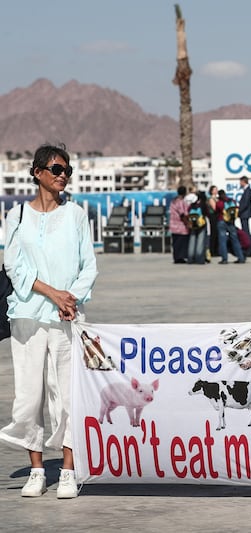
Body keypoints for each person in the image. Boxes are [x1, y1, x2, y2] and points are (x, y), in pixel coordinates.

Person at [0, 144, 98, 499]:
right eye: (57, 169)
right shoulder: (17, 217)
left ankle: (69, 470)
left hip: (67, 317)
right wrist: (51, 293)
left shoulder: (76, 215)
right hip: (26, 316)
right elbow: (14, 266)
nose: (62, 176)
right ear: (38, 172)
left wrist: (70, 297)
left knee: (68, 396)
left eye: (67, 171)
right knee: (29, 395)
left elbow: (89, 264)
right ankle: (38, 470)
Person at [215, 190, 246, 264]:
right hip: (231, 222)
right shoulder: (232, 201)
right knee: (235, 240)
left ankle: (224, 259)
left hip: (221, 221)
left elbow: (216, 210)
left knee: (222, 241)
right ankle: (241, 257)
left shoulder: (219, 203)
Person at [168, 185, 190, 264]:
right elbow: (182, 214)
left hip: (173, 226)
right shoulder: (181, 202)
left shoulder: (173, 201)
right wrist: (187, 223)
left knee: (175, 243)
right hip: (180, 226)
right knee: (181, 243)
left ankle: (176, 257)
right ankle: (180, 257)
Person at [187, 191, 209, 265]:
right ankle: (199, 258)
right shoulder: (203, 205)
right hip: (201, 224)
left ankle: (190, 258)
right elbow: (206, 213)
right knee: (200, 241)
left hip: (192, 225)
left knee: (192, 241)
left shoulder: (191, 205)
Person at [238, 176, 251, 257]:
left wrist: (239, 211)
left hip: (244, 214)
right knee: (245, 232)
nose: (240, 184)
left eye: (240, 182)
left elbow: (245, 203)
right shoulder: (246, 191)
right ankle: (248, 250)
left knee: (246, 233)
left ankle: (248, 250)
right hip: (244, 214)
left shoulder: (248, 191)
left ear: (244, 182)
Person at [208, 185, 220, 257]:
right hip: (213, 216)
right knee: (214, 233)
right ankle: (212, 250)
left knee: (217, 233)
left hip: (217, 216)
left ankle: (216, 250)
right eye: (215, 189)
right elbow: (215, 208)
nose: (216, 191)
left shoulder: (217, 198)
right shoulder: (211, 199)